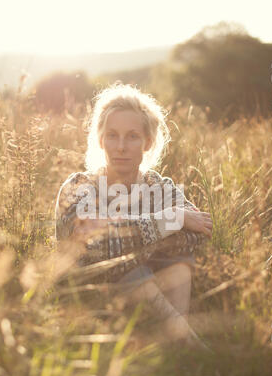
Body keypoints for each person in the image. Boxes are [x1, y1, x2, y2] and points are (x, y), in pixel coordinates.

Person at [55, 83, 213, 349]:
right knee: (127, 267)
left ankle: (175, 346)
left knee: (176, 259)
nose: (121, 147)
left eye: (132, 136)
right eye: (112, 136)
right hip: (89, 303)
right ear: (101, 140)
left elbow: (199, 233)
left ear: (147, 142)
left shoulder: (161, 187)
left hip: (154, 293)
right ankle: (188, 346)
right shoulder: (80, 186)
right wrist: (170, 220)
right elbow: (93, 245)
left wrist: (126, 239)